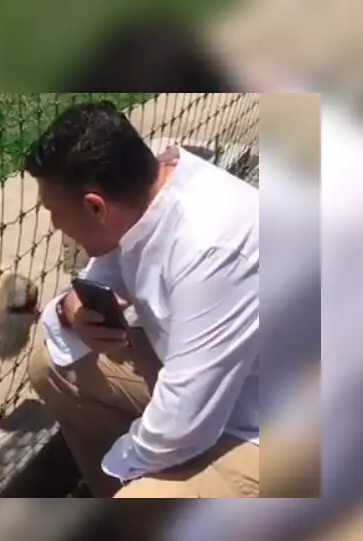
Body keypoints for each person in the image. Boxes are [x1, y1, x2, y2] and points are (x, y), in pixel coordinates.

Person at [24, 101, 260, 498]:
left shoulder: (210, 247)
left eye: (54, 211)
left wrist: (124, 466)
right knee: (51, 367)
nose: (55, 225)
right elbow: (97, 280)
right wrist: (73, 310)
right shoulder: (150, 196)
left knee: (140, 498)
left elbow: (184, 423)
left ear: (95, 206)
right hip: (219, 395)